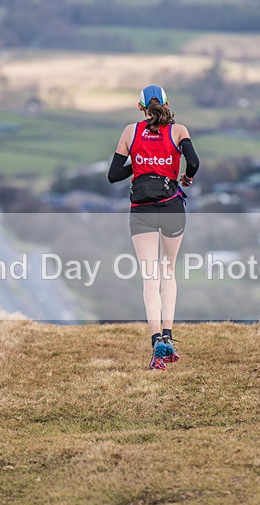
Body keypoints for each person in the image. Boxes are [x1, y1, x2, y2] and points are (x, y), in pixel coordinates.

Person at [107, 85, 200, 370]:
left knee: (149, 277)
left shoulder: (129, 132)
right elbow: (194, 162)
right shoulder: (178, 130)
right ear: (167, 104)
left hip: (142, 211)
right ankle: (169, 337)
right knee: (168, 272)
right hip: (171, 207)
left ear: (140, 107)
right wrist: (186, 176)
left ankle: (156, 340)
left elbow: (113, 176)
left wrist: (139, 165)